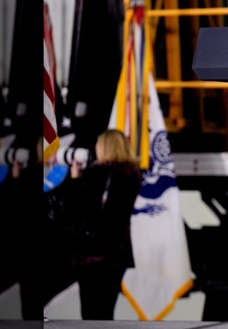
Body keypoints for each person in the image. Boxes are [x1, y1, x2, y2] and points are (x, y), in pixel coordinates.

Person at [67, 129, 141, 320]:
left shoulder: (97, 173)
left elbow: (79, 207)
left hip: (94, 252)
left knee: (90, 312)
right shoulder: (133, 174)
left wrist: (76, 179)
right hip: (118, 251)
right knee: (106, 311)